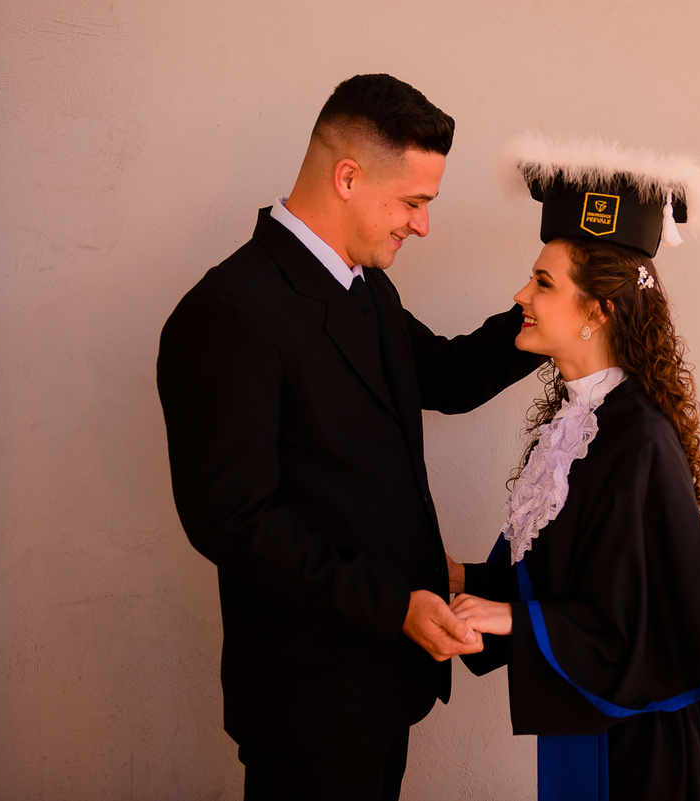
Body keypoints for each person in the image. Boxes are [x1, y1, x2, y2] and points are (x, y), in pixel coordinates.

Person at [155, 75, 539, 800]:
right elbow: (235, 522)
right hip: (311, 703)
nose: (422, 226)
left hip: (383, 685)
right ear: (348, 177)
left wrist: (555, 308)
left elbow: (445, 376)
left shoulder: (365, 285)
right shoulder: (227, 314)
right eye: (413, 202)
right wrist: (395, 606)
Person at [448, 134, 700, 801]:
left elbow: (631, 621)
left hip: (640, 748)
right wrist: (461, 580)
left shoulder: (637, 437)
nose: (520, 295)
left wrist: (511, 620)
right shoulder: (577, 428)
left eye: (542, 282)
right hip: (589, 725)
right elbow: (559, 578)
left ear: (597, 311)